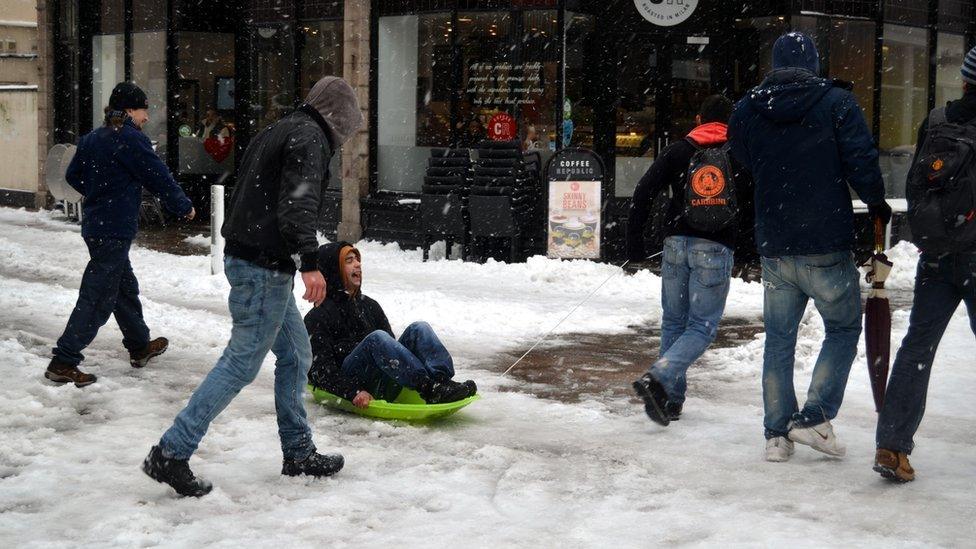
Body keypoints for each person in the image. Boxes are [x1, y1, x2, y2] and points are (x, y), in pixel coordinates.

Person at [142, 76, 364, 497]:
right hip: (263, 267)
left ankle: (298, 452)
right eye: (347, 128)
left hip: (256, 260)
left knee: (297, 354)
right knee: (242, 363)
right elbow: (296, 203)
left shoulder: (280, 129)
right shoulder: (309, 138)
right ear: (337, 117)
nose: (344, 138)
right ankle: (171, 452)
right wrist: (309, 262)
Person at [728, 32, 891, 462]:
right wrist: (876, 203)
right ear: (814, 63)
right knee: (842, 328)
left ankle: (776, 436)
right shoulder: (836, 103)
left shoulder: (747, 108)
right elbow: (861, 158)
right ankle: (814, 417)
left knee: (779, 340)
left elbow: (741, 155)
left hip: (776, 242)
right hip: (825, 240)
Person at [45, 82, 195, 388]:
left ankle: (140, 346)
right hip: (114, 229)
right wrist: (183, 206)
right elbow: (158, 176)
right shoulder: (130, 139)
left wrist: (100, 193)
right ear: (129, 110)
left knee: (124, 288)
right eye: (143, 110)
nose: (145, 117)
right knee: (98, 296)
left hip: (96, 225)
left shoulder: (93, 138)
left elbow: (73, 175)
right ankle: (64, 360)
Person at [874, 48, 976, 483]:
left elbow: (919, 183)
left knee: (918, 348)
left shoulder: (937, 119)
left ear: (965, 80)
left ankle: (891, 446)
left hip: (936, 255)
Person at [629, 95, 754, 426]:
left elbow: (644, 191)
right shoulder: (741, 152)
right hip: (715, 247)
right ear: (731, 121)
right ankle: (660, 376)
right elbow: (755, 201)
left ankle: (670, 399)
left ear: (699, 118)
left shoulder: (678, 150)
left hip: (675, 243)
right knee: (702, 325)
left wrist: (634, 243)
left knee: (674, 321)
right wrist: (751, 246)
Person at [305, 243, 477, 407]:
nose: (357, 265)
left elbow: (390, 350)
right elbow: (320, 370)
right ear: (334, 270)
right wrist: (352, 392)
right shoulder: (318, 316)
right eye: (349, 261)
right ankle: (428, 388)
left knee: (419, 328)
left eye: (357, 260)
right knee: (377, 338)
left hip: (382, 380)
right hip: (353, 383)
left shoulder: (370, 305)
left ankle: (442, 383)